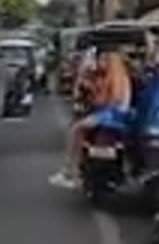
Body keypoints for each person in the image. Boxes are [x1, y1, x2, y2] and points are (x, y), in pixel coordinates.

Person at [52, 48, 133, 189]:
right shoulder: (110, 76)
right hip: (112, 114)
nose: (100, 63)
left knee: (77, 129)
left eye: (103, 60)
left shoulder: (117, 77)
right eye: (99, 59)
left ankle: (70, 171)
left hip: (112, 115)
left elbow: (110, 100)